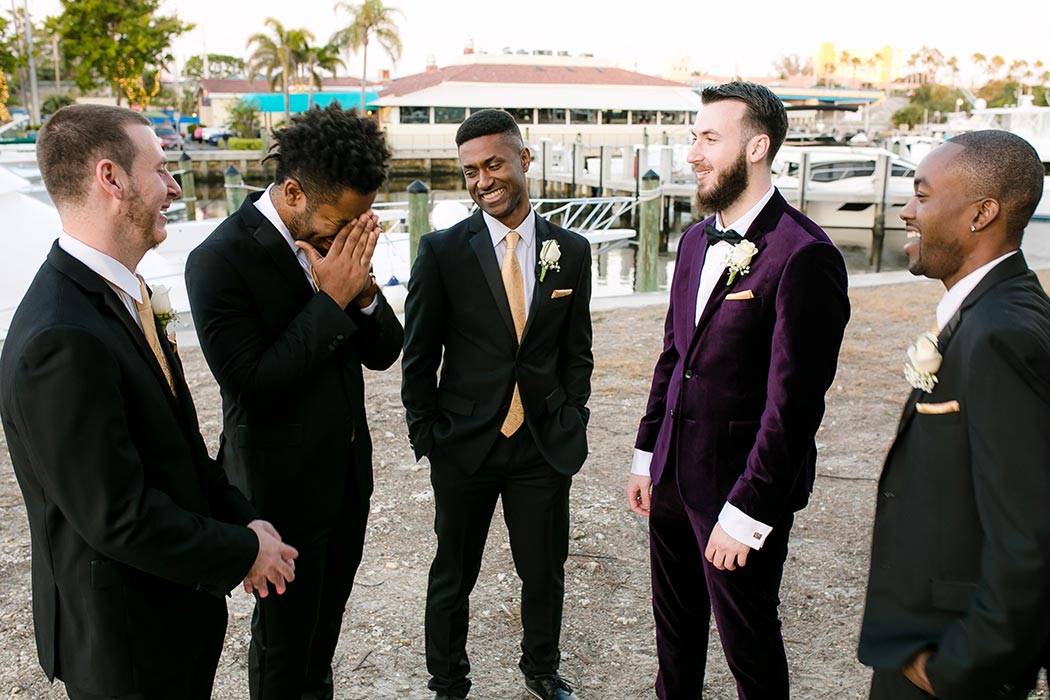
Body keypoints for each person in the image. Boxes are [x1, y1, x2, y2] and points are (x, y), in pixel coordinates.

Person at [0, 104, 297, 700]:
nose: (173, 186)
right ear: (111, 179)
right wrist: (243, 552)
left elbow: (177, 449)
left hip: (169, 616)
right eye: (160, 169)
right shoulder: (61, 337)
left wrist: (242, 517)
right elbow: (117, 516)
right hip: (126, 645)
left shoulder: (123, 293)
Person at [625, 82, 851, 699]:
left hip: (739, 490)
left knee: (748, 644)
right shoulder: (696, 240)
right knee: (674, 641)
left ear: (756, 147)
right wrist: (647, 457)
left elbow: (793, 408)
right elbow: (675, 355)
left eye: (708, 139)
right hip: (671, 475)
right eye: (693, 137)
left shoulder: (805, 255)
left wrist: (748, 512)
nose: (692, 154)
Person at [184, 103, 403, 700]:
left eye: (361, 221)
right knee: (283, 645)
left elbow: (385, 351)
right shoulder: (217, 261)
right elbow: (251, 388)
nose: (350, 234)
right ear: (294, 191)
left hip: (348, 480)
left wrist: (360, 295)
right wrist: (329, 300)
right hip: (277, 491)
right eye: (340, 220)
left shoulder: (339, 241)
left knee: (323, 636)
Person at [401, 109, 593, 700]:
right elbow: (417, 355)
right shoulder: (440, 252)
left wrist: (571, 415)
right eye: (469, 172)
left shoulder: (571, 250)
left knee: (543, 572)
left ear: (523, 160)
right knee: (453, 575)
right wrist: (427, 434)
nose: (482, 180)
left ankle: (541, 670)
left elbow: (576, 349)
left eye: (493, 165)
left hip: (541, 443)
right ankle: (448, 682)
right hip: (464, 445)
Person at [857, 130, 1050, 699]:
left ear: (981, 213)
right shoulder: (990, 309)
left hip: (948, 665)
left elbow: (1030, 536)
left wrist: (959, 670)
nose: (906, 210)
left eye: (921, 194)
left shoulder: (1002, 334)